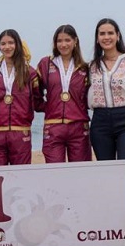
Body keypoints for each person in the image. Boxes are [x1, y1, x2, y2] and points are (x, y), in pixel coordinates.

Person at [88, 18, 125, 222]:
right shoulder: (92, 66)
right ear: (97, 38)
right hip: (100, 122)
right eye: (102, 34)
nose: (106, 37)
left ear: (118, 35)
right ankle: (109, 220)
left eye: (110, 33)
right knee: (106, 173)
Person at [0, 29, 42, 166]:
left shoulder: (30, 73)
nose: (7, 47)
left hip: (21, 132)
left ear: (18, 44)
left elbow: (37, 101)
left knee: (21, 177)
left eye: (11, 42)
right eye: (3, 43)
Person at [36, 25, 92, 163]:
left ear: (75, 41)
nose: (63, 44)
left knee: (80, 172)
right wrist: (48, 107)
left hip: (79, 126)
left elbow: (90, 97)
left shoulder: (85, 68)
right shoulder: (45, 64)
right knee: (55, 172)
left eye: (67, 40)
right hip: (53, 126)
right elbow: (35, 94)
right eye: (59, 41)